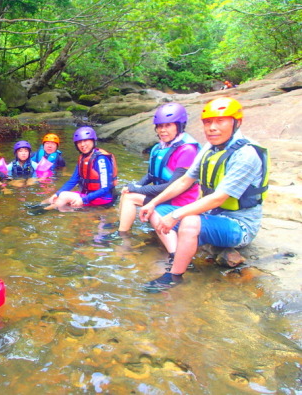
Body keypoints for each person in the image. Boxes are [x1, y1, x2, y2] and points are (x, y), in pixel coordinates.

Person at [139, 97, 269, 292]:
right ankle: (177, 253)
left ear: (236, 122)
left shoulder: (246, 154)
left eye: (220, 121)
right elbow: (184, 181)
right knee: (157, 210)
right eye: (208, 122)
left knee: (189, 221)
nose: (212, 128)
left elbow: (218, 198)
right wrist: (152, 203)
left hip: (240, 226)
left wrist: (176, 215)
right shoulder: (209, 148)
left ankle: (174, 276)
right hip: (212, 216)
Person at [104, 103, 200, 243]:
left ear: (179, 126)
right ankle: (122, 226)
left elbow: (173, 187)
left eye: (168, 126)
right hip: (164, 195)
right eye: (160, 126)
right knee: (127, 192)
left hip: (179, 201)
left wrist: (138, 189)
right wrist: (135, 185)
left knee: (130, 197)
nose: (162, 130)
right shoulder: (158, 148)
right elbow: (151, 175)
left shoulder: (188, 151)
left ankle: (122, 236)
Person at [42, 126, 117, 211]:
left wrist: (83, 200)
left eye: (85, 141)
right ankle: (39, 206)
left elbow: (105, 188)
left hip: (103, 198)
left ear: (93, 141)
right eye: (79, 142)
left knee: (64, 196)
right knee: (56, 197)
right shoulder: (83, 158)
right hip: (89, 194)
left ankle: (43, 211)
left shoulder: (101, 159)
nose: (82, 145)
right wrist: (56, 193)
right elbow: (73, 180)